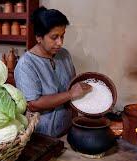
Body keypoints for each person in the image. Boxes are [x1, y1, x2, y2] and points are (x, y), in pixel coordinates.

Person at [14, 7, 92, 137]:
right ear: (39, 37)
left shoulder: (64, 55)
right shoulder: (26, 64)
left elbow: (72, 84)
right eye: (54, 37)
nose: (60, 42)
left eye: (62, 36)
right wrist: (71, 94)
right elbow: (33, 104)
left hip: (67, 128)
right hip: (42, 135)